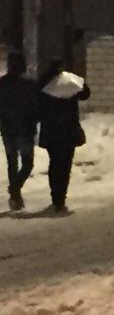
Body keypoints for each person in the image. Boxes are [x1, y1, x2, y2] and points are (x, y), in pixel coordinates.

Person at [37, 60, 90, 216]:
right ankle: (61, 198)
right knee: (65, 166)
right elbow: (85, 94)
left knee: (54, 164)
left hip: (51, 132)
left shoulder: (44, 85)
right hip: (69, 131)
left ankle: (55, 197)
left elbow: (36, 100)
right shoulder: (70, 83)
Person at [0, 52, 38, 211]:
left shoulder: (2, 83)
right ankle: (15, 190)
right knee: (28, 163)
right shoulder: (29, 84)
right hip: (25, 129)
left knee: (12, 163)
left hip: (7, 129)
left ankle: (15, 195)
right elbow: (36, 106)